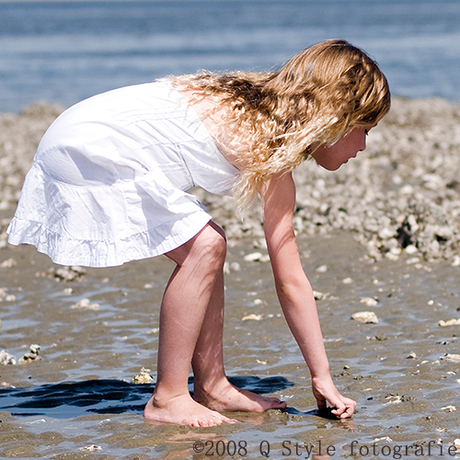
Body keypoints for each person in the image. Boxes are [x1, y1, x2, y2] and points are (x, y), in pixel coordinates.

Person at [7, 39, 391, 427]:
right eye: (365, 129)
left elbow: (288, 271)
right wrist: (321, 378)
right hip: (88, 147)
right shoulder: (260, 137)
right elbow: (289, 281)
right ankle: (168, 397)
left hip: (82, 132)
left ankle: (212, 386)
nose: (363, 145)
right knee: (205, 246)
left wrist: (319, 374)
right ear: (334, 119)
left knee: (208, 244)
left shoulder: (255, 114)